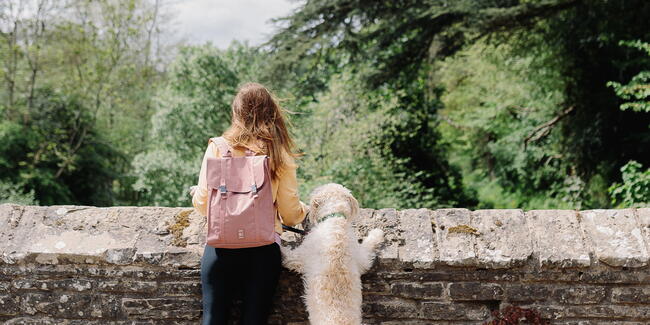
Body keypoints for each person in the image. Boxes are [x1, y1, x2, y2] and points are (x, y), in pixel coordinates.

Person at [192, 82, 309, 325]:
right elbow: (290, 215)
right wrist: (305, 210)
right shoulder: (278, 153)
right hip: (263, 251)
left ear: (236, 113)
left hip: (220, 248)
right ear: (273, 113)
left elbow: (204, 204)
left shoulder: (217, 147)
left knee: (214, 319)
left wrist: (195, 193)